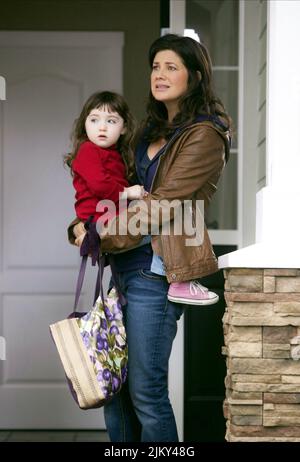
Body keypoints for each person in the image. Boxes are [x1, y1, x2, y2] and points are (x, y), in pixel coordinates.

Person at [69, 34, 231, 442]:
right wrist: (80, 224)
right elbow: (112, 193)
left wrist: (96, 235)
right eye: (155, 66)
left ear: (194, 76)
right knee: (116, 391)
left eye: (171, 67)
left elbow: (161, 205)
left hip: (156, 273)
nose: (159, 74)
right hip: (122, 270)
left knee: (146, 391)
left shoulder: (204, 135)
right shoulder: (149, 130)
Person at [64, 90, 146, 242]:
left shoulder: (117, 154)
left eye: (111, 121)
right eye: (94, 120)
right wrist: (127, 192)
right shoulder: (88, 150)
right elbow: (100, 185)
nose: (102, 127)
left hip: (110, 213)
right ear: (85, 124)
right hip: (99, 216)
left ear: (124, 128)